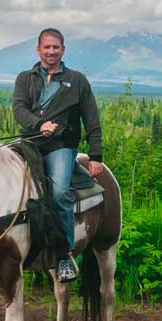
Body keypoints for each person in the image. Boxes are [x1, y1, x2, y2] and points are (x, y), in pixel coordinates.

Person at [12, 28, 104, 282]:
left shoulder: (77, 81)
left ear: (63, 50)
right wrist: (38, 124)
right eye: (46, 47)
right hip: (29, 142)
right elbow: (18, 109)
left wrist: (96, 156)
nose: (51, 51)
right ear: (38, 50)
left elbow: (91, 119)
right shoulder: (25, 79)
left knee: (61, 191)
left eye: (56, 47)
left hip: (60, 146)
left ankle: (64, 254)